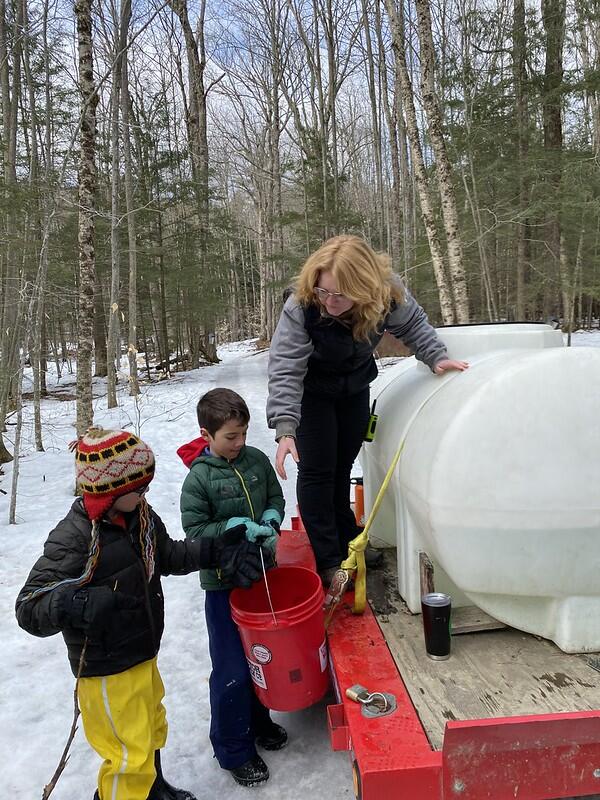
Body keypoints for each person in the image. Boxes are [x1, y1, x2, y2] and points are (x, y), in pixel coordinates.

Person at [15, 427, 263, 800]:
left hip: (141, 653)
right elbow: (29, 606)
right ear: (110, 492)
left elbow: (167, 555)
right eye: (140, 489)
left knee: (149, 727)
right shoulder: (74, 537)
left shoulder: (139, 518)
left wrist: (212, 550)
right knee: (126, 755)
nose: (146, 494)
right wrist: (74, 603)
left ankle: (154, 789)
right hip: (106, 670)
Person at [266, 235, 469, 586]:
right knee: (318, 471)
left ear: (363, 288)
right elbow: (285, 366)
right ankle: (330, 559)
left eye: (339, 295)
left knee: (343, 465)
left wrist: (436, 356)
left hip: (354, 387)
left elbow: (413, 324)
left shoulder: (386, 292)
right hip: (311, 392)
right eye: (323, 292)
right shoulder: (302, 304)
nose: (328, 302)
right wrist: (285, 428)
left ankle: (349, 540)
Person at [178, 388, 286, 788]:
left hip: (261, 575)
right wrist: (236, 527)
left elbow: (274, 495)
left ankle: (259, 723)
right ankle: (233, 749)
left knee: (263, 656)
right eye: (230, 437)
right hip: (224, 585)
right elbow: (194, 532)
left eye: (243, 434)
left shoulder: (255, 460)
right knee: (232, 670)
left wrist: (273, 517)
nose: (239, 443)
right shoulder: (199, 478)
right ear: (206, 434)